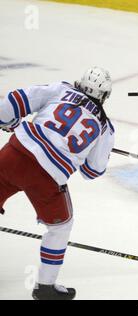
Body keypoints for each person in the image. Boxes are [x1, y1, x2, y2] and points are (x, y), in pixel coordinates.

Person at [0, 67, 115, 300]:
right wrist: (81, 155)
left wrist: (8, 122)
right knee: (61, 226)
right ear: (105, 95)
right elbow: (92, 172)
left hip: (15, 153)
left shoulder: (61, 89)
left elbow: (15, 100)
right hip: (46, 177)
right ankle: (45, 287)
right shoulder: (105, 127)